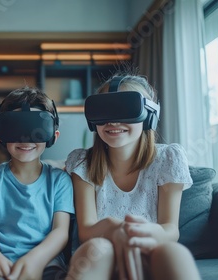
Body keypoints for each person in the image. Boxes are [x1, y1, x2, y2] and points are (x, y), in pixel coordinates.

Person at [65, 74, 201, 280]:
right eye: (105, 111)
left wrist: (137, 236)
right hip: (100, 252)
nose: (113, 121)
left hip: (149, 248)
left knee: (174, 252)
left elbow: (170, 229)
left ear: (149, 116)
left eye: (126, 110)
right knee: (98, 249)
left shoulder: (168, 159)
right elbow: (86, 231)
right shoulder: (83, 163)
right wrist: (116, 228)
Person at [0, 87, 75, 280]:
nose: (25, 139)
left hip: (45, 263)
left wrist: (35, 261)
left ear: (52, 136)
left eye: (36, 129)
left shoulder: (60, 181)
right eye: (16, 128)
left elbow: (60, 232)